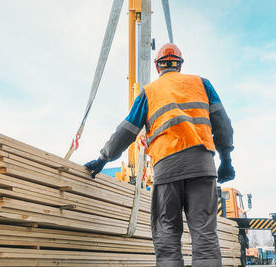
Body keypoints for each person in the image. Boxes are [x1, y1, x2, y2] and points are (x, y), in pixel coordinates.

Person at [85, 43, 235, 267]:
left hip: (167, 167)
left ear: (157, 66)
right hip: (202, 166)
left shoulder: (150, 92)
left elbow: (126, 132)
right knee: (205, 235)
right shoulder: (202, 84)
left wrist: (103, 159)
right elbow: (223, 125)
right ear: (180, 65)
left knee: (167, 234)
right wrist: (226, 160)